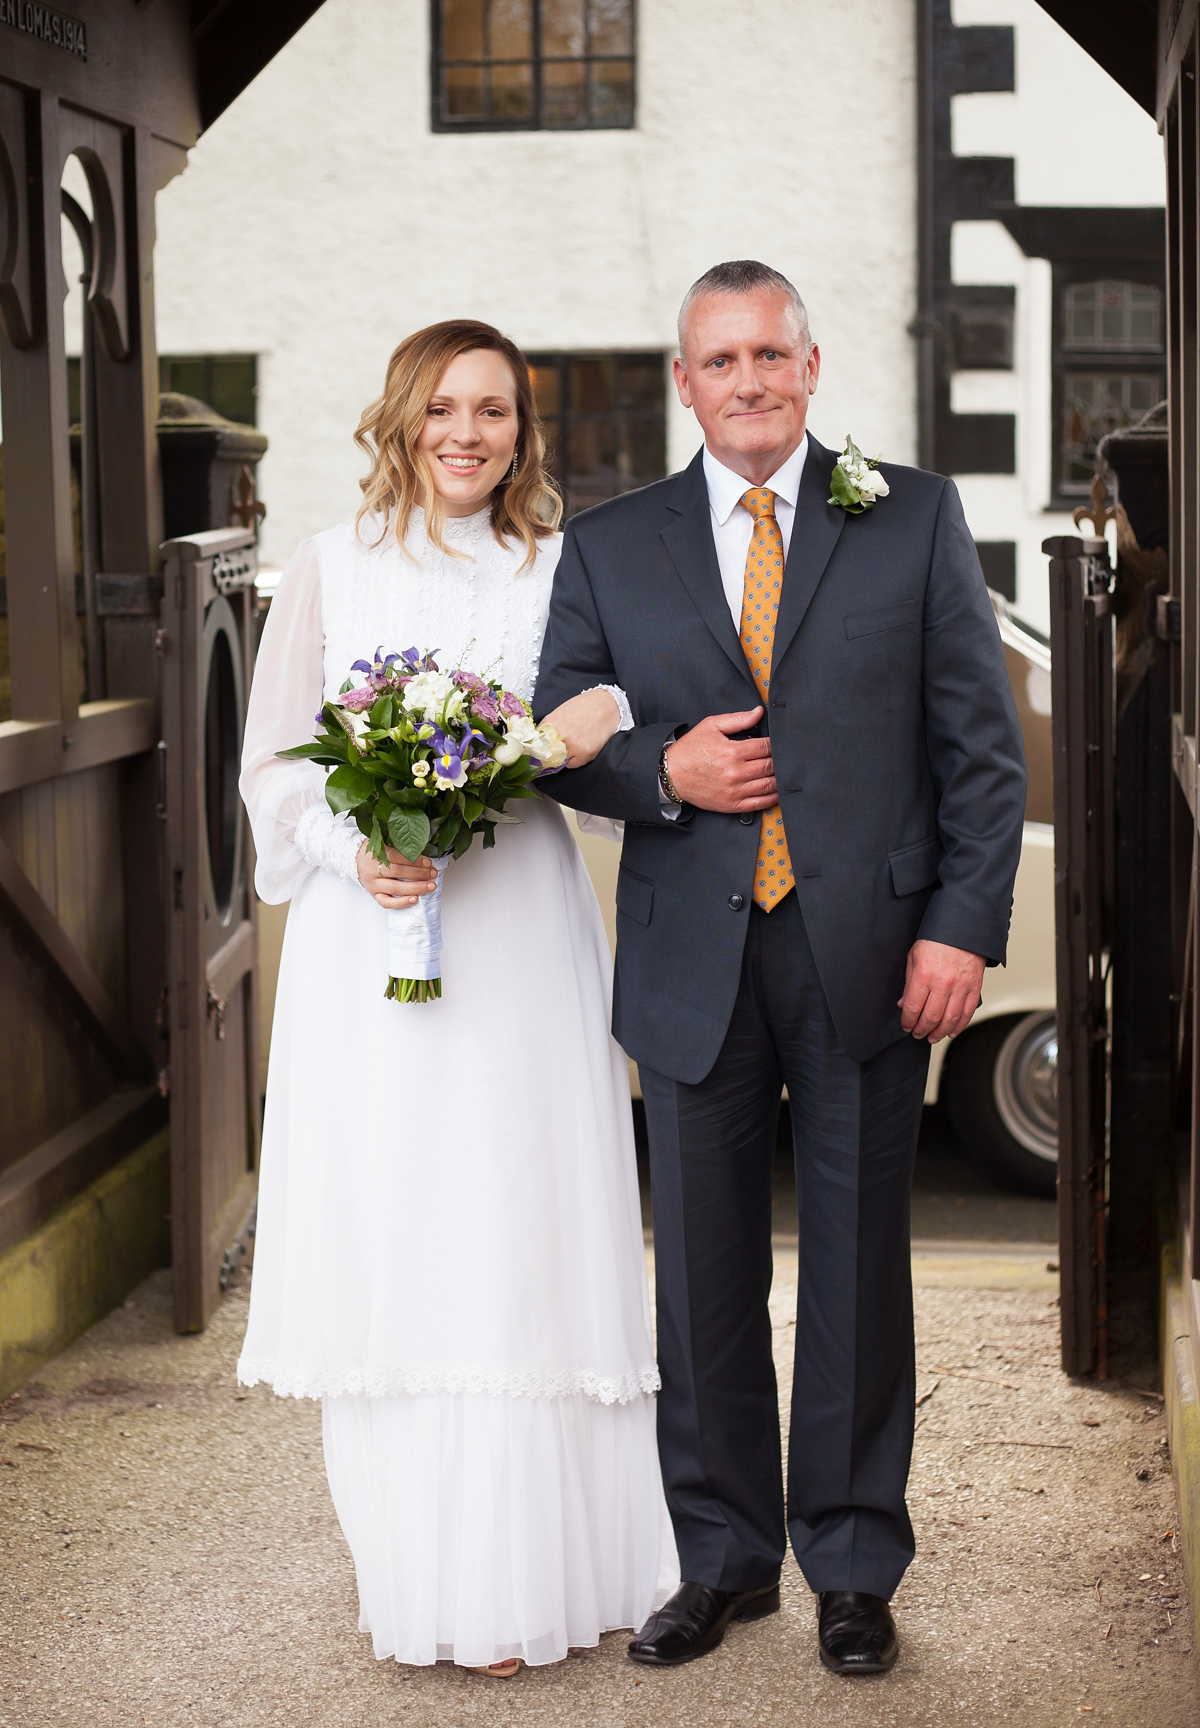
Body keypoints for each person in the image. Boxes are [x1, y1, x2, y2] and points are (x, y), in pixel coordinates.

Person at [533, 260, 1027, 1677]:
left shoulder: (914, 515)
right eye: (719, 360)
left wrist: (961, 923)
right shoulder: (613, 543)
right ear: (683, 382)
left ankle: (856, 1564)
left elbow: (978, 754)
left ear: (813, 367)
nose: (747, 381)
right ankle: (725, 1557)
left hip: (872, 949)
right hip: (695, 955)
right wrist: (661, 769)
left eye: (770, 354)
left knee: (863, 1270)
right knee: (697, 1276)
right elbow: (566, 741)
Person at [238, 319, 673, 1677]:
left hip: (520, 935)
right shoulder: (331, 566)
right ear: (402, 419)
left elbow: (603, 722)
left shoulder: (562, 567)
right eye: (443, 407)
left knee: (515, 1219)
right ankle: (425, 1572)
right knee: (403, 1229)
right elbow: (272, 771)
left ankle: (551, 1568)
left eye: (494, 409)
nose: (468, 432)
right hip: (371, 944)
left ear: (523, 431)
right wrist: (348, 844)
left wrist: (566, 731)